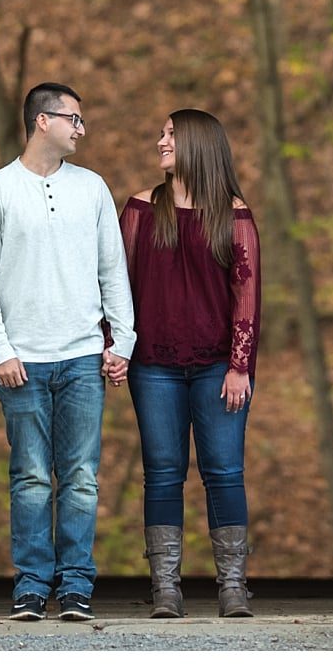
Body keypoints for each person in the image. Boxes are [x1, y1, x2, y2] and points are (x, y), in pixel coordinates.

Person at [0, 81, 135, 622]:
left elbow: (114, 269)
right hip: (22, 362)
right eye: (74, 119)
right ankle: (32, 586)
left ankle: (77, 586)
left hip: (84, 356)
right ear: (44, 121)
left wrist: (121, 340)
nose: (82, 129)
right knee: (32, 476)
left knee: (82, 475)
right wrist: (0, 351)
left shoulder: (93, 189)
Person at [120, 108, 261, 618]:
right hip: (153, 362)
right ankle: (166, 590)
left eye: (171, 135)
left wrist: (240, 365)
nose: (161, 141)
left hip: (219, 366)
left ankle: (232, 588)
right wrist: (116, 345)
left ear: (198, 144)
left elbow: (246, 292)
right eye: (161, 133)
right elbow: (119, 286)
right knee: (162, 474)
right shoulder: (140, 207)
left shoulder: (233, 212)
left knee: (224, 472)